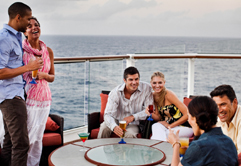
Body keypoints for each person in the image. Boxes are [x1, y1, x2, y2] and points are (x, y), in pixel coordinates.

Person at [0, 2, 43, 166]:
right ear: (18, 18)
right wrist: (28, 67)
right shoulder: (4, 39)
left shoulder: (16, 37)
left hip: (14, 94)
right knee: (21, 144)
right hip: (10, 97)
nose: (29, 23)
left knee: (10, 141)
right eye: (27, 19)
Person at [167, 96, 238, 166]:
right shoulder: (229, 142)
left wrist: (176, 144)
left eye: (189, 116)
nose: (188, 121)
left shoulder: (198, 146)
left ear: (195, 119)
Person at [22, 16, 55, 166]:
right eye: (30, 26)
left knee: (37, 138)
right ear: (24, 31)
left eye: (37, 25)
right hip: (28, 98)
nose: (34, 27)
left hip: (45, 99)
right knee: (27, 137)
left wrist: (44, 75)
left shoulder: (48, 51)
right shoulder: (21, 50)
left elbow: (52, 77)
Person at [97, 66, 153, 138]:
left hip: (134, 123)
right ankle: (100, 149)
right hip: (116, 120)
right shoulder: (115, 92)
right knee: (104, 128)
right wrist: (114, 127)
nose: (134, 82)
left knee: (130, 134)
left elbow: (148, 111)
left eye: (136, 79)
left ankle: (125, 150)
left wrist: (133, 117)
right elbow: (108, 114)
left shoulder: (147, 88)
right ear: (124, 80)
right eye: (131, 80)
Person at [145, 72, 193, 141]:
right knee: (155, 126)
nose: (157, 85)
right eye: (154, 83)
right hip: (168, 127)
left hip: (184, 127)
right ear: (151, 83)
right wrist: (150, 114)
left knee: (166, 134)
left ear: (164, 82)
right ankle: (160, 149)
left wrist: (170, 126)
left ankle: (159, 149)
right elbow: (159, 118)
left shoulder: (169, 94)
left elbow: (187, 114)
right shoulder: (154, 96)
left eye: (160, 83)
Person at [210, 84, 241, 154]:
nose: (219, 110)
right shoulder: (217, 119)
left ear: (235, 102)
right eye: (215, 105)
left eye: (223, 104)